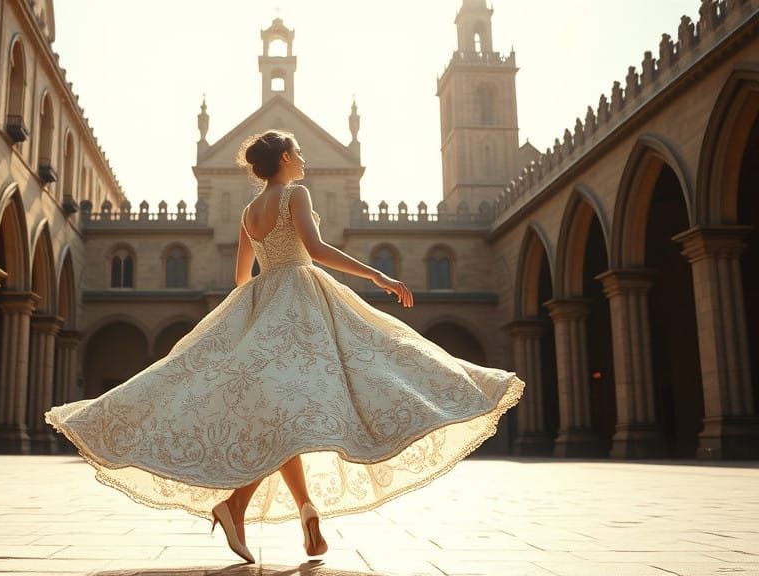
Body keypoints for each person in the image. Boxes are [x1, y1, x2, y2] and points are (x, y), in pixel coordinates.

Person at [45, 130, 525, 565]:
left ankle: (283, 507)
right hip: (302, 302)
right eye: (298, 151)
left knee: (286, 413)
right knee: (382, 357)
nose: (304, 157)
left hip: (263, 302)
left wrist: (253, 308)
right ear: (286, 158)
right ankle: (242, 504)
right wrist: (376, 274)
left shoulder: (248, 211)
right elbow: (315, 250)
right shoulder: (297, 193)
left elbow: (239, 277)